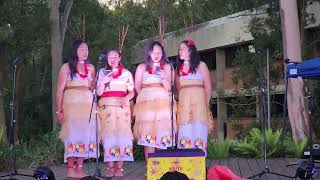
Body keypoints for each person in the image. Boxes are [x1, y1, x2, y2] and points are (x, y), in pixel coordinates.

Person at [55, 39, 97, 178]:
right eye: (82, 49)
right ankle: (70, 168)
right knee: (72, 135)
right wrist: (59, 110)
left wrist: (97, 82)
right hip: (71, 105)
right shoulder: (66, 67)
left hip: (88, 106)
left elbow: (92, 88)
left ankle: (80, 167)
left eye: (86, 49)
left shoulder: (91, 68)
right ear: (75, 51)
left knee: (85, 136)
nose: (85, 52)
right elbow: (60, 90)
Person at [134, 40, 176, 163]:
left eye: (159, 52)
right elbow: (137, 86)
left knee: (161, 134)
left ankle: (161, 168)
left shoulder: (168, 67)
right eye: (153, 52)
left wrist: (163, 77)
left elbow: (170, 88)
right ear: (149, 53)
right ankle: (150, 167)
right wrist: (144, 98)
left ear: (162, 54)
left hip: (162, 104)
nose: (156, 55)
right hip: (147, 104)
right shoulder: (142, 67)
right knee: (148, 136)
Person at [97, 49, 134, 177]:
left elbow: (132, 92)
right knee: (109, 136)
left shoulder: (126, 73)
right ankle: (110, 168)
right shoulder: (102, 72)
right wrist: (103, 82)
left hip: (122, 107)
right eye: (109, 57)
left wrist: (126, 98)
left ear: (119, 58)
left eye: (115, 57)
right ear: (107, 59)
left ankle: (120, 169)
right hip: (106, 108)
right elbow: (99, 93)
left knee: (122, 135)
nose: (112, 59)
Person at [175, 39, 212, 153]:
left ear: (190, 51)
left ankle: (199, 168)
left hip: (199, 107)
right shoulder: (178, 69)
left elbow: (208, 87)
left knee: (199, 134)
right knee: (185, 135)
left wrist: (205, 106)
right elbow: (178, 89)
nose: (180, 51)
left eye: (182, 49)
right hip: (184, 108)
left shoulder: (201, 66)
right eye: (179, 49)